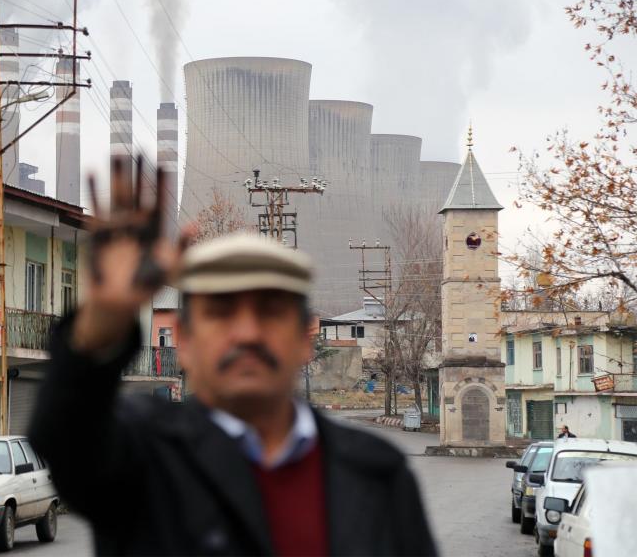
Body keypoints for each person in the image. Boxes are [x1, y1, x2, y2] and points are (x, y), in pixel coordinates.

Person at [29, 160, 436, 556]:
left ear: (305, 337)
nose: (247, 333)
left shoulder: (376, 472)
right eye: (221, 313)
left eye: (270, 312)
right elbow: (65, 438)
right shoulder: (141, 454)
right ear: (184, 340)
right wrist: (105, 316)